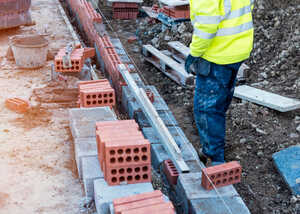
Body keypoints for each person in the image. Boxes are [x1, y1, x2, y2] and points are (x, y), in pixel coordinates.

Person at [185, 0, 254, 166]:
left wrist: (194, 54)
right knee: (220, 102)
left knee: (207, 109)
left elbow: (207, 26)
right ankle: (214, 146)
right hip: (237, 50)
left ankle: (214, 157)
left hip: (217, 55)